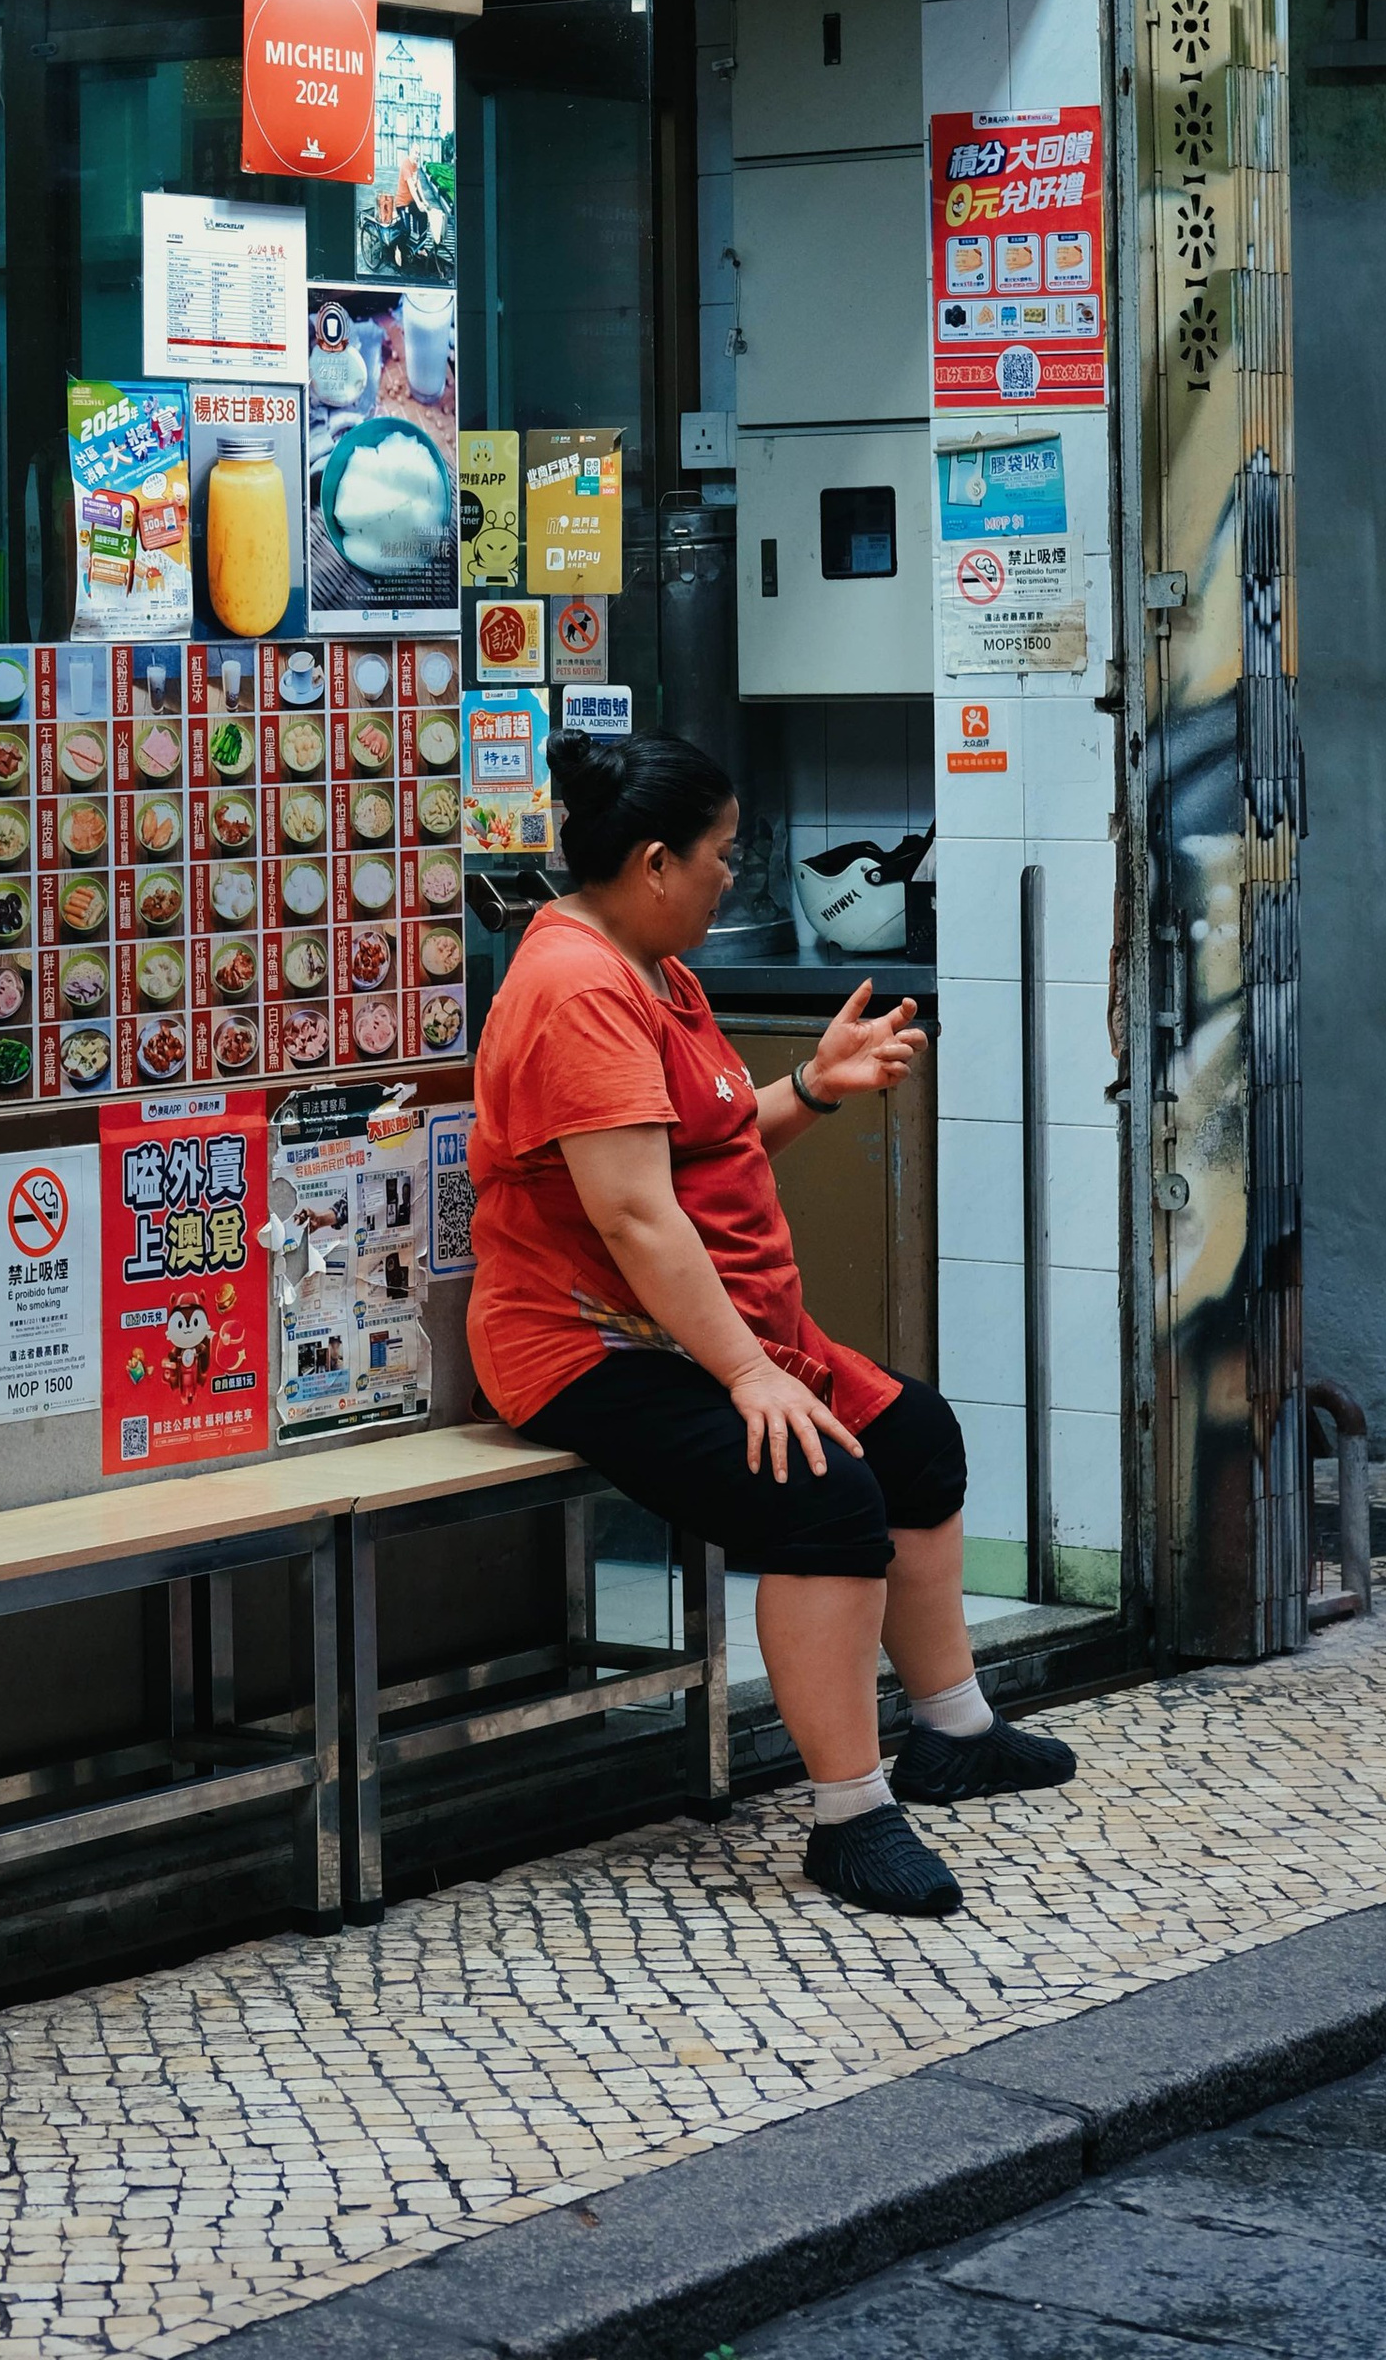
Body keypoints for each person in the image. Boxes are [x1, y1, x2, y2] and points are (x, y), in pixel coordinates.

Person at [466, 730, 1073, 1919]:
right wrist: (747, 1374)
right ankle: (848, 1811)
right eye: (720, 854)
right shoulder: (575, 987)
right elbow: (637, 1216)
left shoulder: (653, 967)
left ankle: (951, 1730)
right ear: (651, 862)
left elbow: (703, 1150)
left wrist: (815, 1087)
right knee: (820, 1491)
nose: (731, 876)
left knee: (914, 1436)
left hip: (698, 1327)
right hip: (588, 1345)